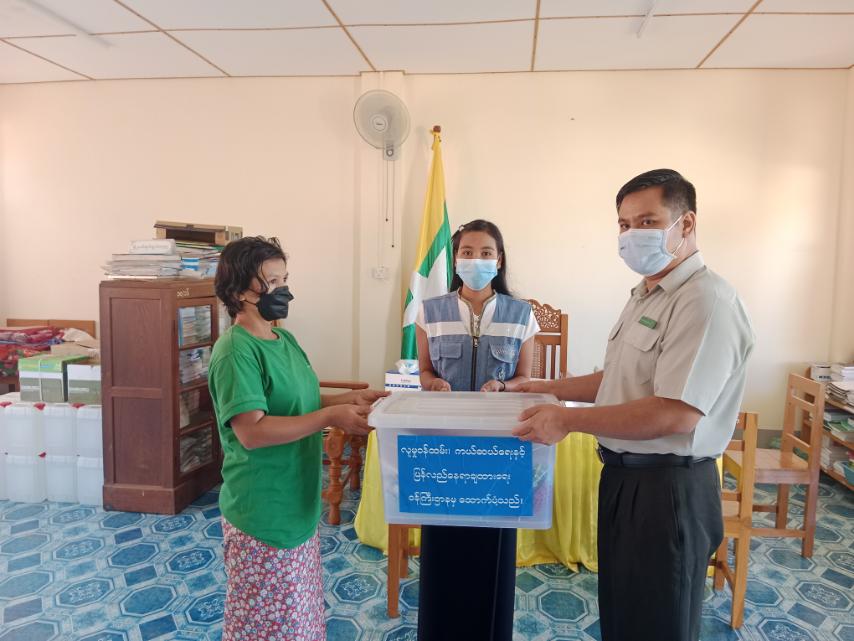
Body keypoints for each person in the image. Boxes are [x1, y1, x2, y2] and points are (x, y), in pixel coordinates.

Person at [514, 169, 755, 641]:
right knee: (625, 614)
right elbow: (619, 381)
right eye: (624, 225)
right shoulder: (647, 294)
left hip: (668, 491)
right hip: (626, 479)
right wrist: (545, 387)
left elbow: (675, 412)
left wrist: (568, 421)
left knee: (657, 623)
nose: (631, 235)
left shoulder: (705, 301)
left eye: (647, 222)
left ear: (686, 224)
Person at [208, 236, 387, 641]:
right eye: (272, 282)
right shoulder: (236, 351)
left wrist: (347, 400)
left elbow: (299, 400)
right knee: (269, 627)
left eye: (285, 279)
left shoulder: (282, 339)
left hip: (296, 504)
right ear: (240, 291)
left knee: (297, 620)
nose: (283, 290)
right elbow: (252, 431)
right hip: (263, 512)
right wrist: (330, 416)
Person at [414, 219, 540, 641]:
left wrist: (503, 387)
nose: (476, 260)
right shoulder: (430, 310)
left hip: (498, 451)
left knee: (492, 550)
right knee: (444, 547)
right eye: (467, 252)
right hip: (444, 448)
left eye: (486, 252)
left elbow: (526, 379)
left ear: (499, 260)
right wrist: (433, 383)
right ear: (455, 259)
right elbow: (424, 371)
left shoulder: (521, 314)